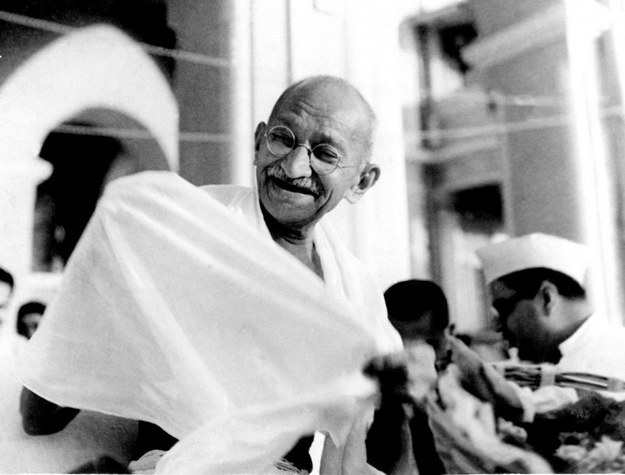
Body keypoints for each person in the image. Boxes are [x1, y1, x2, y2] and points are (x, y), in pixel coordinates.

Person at [19, 75, 402, 473]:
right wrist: (104, 287)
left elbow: (364, 446)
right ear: (258, 143)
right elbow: (38, 413)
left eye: (324, 153)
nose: (293, 166)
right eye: (282, 139)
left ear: (361, 182)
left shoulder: (356, 289)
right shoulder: (184, 230)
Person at [458, 232, 625, 424]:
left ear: (547, 298)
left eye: (503, 310)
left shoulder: (614, 357)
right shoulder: (552, 357)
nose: (497, 326)